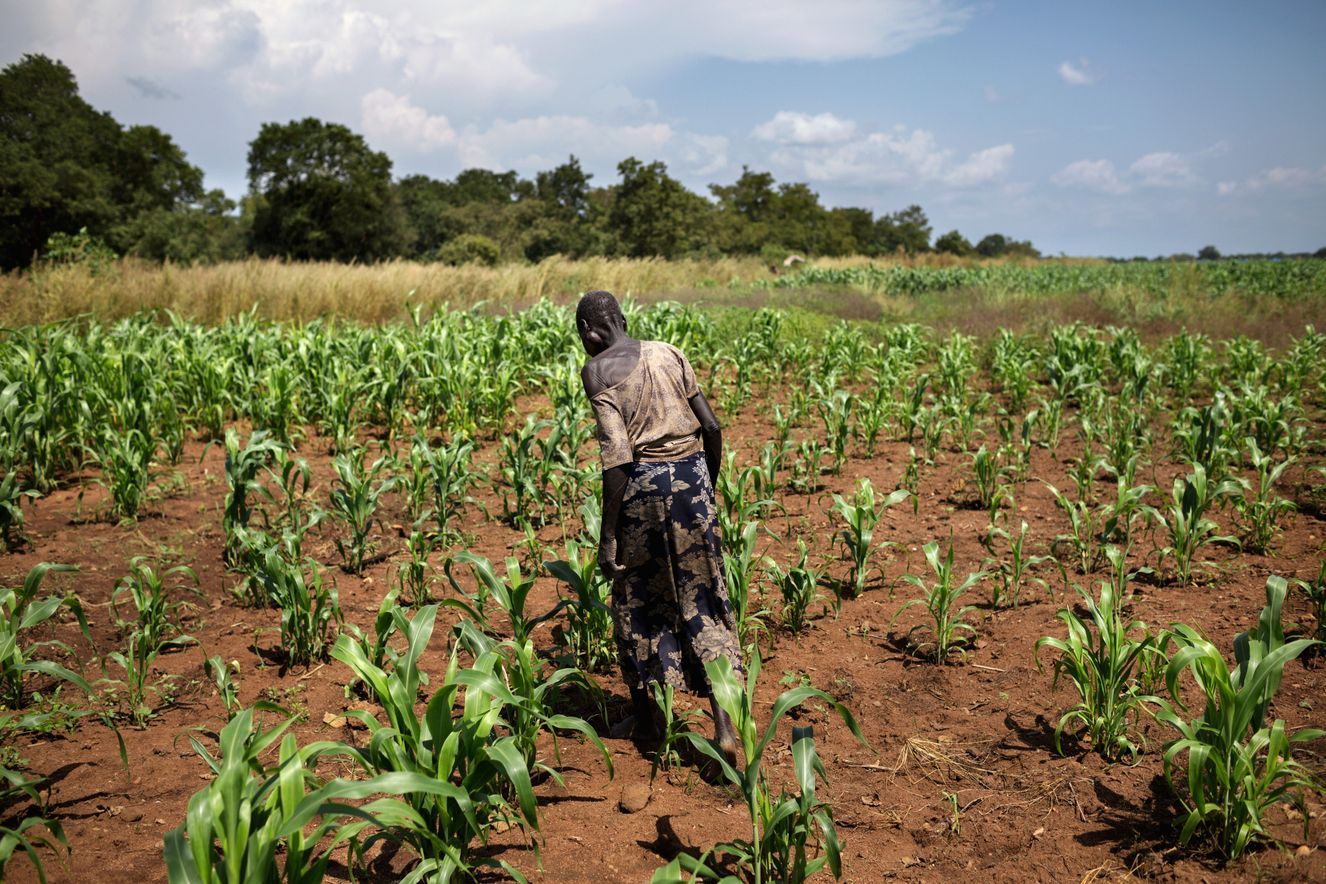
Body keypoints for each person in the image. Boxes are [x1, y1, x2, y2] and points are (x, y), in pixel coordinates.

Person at [575, 290, 742, 778]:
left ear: (591, 330)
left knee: (639, 603)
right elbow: (710, 427)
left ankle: (650, 720)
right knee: (705, 601)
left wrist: (608, 536)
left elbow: (617, 457)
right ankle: (726, 729)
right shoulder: (669, 352)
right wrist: (705, 487)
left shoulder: (598, 370)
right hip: (692, 480)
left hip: (644, 488)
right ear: (622, 318)